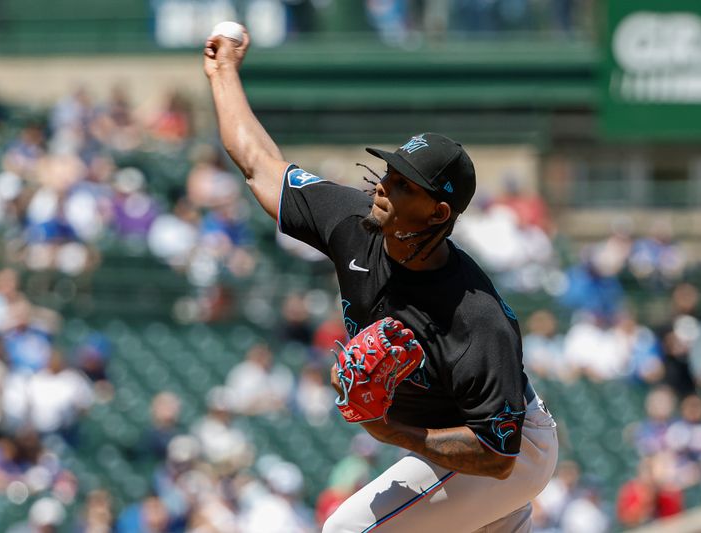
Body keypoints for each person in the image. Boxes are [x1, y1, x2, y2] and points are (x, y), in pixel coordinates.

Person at [203, 28, 558, 532]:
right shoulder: (352, 222)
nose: (383, 186)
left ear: (437, 212)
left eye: (403, 184)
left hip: (507, 451)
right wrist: (223, 74)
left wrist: (389, 429)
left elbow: (497, 454)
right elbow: (259, 165)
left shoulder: (474, 316)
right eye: (389, 171)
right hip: (463, 448)